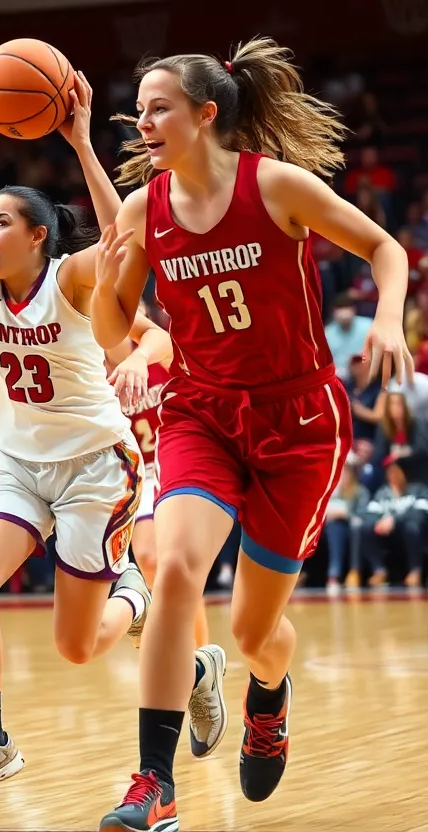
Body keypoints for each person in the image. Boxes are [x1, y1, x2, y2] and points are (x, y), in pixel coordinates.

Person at [89, 37, 414, 831]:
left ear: (206, 114)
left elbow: (385, 246)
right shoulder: (143, 209)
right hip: (202, 409)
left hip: (298, 422)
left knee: (251, 630)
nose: (143, 121)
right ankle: (153, 783)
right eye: (138, 110)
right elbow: (111, 330)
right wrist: (106, 282)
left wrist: (386, 316)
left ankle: (268, 694)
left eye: (158, 107)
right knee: (174, 572)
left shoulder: (275, 185)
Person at [0, 66, 154, 807]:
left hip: (93, 468)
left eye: (1, 222)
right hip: (15, 463)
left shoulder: (73, 278)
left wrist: (79, 139)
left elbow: (122, 238)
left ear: (38, 236)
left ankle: (133, 596)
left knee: (77, 648)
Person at [106, 308, 213, 650]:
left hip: (174, 464)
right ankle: (152, 615)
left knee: (176, 565)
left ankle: (201, 659)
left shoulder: (155, 357)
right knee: (150, 561)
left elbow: (165, 342)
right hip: (130, 476)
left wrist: (141, 355)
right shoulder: (91, 373)